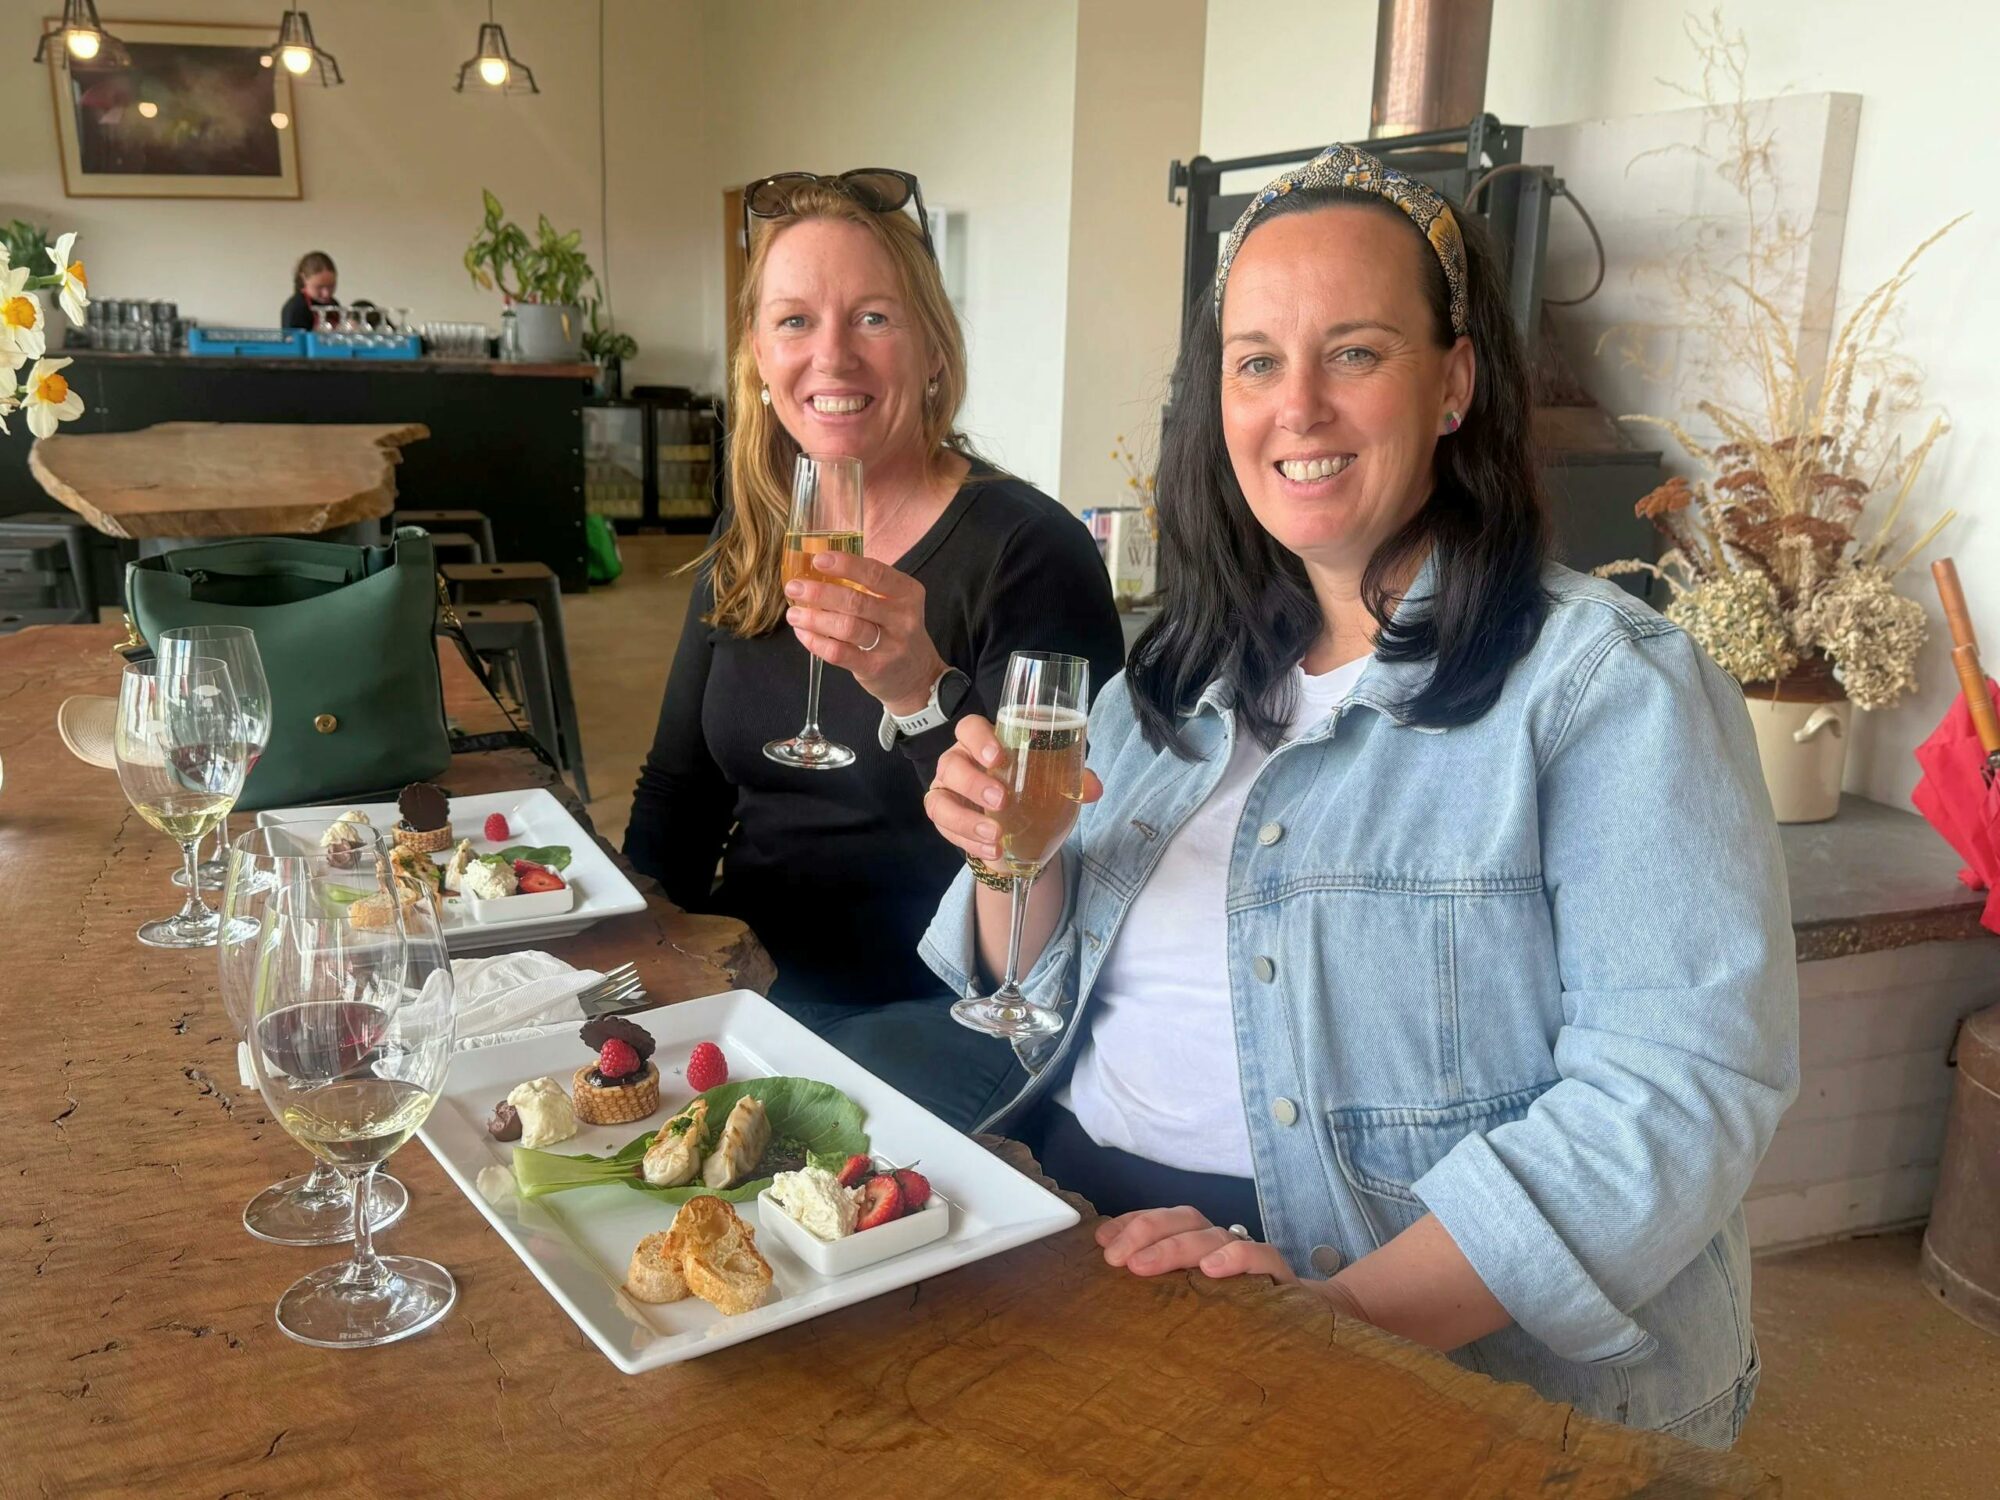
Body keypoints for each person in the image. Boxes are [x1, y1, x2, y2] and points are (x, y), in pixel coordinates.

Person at [917, 143, 1798, 1448]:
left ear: (1454, 383)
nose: (1299, 407)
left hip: (1398, 1334)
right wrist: (1014, 856)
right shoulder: (1167, 673)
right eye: (1257, 362)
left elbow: (1678, 1096)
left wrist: (1340, 1318)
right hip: (1088, 1246)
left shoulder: (1608, 688)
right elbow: (1016, 1005)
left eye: (1358, 353)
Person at [624, 170, 1124, 1131]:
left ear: (934, 349)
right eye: (794, 322)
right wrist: (631, 963)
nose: (832, 358)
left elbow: (1049, 857)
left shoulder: (1028, 553)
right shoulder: (759, 529)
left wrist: (918, 694)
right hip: (747, 985)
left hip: (932, 1011)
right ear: (759, 362)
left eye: (875, 319)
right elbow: (678, 798)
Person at [280, 251, 338, 330]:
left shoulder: (334, 304)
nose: (326, 294)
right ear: (304, 278)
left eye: (331, 286)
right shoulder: (296, 308)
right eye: (319, 287)